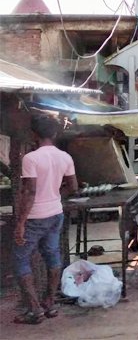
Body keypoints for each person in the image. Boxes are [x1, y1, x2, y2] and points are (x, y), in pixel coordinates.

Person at [13, 115, 78, 324]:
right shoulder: (65, 157)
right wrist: (55, 194)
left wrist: (21, 223)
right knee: (52, 256)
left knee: (20, 259)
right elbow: (73, 187)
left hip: (35, 217)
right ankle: (49, 302)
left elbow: (30, 192)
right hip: (55, 214)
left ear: (34, 134)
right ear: (55, 134)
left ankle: (34, 310)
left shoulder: (31, 158)